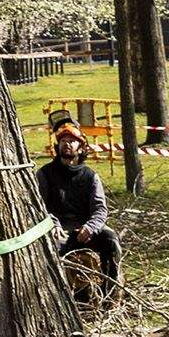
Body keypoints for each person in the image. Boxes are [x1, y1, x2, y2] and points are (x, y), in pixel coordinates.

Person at [37, 120, 122, 293]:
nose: (66, 144)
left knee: (111, 241)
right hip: (57, 229)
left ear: (81, 148)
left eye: (71, 141)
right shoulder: (44, 174)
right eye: (62, 141)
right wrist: (52, 224)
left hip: (85, 227)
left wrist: (91, 227)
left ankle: (111, 295)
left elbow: (100, 208)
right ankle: (60, 297)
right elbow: (39, 206)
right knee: (53, 251)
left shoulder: (90, 176)